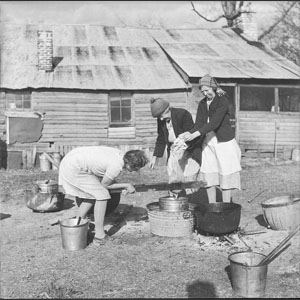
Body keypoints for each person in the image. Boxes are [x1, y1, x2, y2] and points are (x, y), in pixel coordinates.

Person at [58, 146, 148, 245]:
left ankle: (78, 224)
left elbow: (107, 179)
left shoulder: (119, 155)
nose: (135, 171)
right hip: (74, 167)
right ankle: (100, 236)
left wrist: (121, 188)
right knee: (102, 195)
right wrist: (127, 185)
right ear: (131, 164)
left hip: (71, 161)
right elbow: (105, 185)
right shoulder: (116, 165)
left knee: (93, 194)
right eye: (136, 168)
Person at [179, 74, 241, 203]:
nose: (205, 93)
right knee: (209, 173)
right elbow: (199, 124)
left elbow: (214, 123)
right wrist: (186, 134)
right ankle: (212, 205)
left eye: (207, 90)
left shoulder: (222, 101)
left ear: (213, 87)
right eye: (203, 91)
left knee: (225, 173)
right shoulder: (202, 103)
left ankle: (225, 206)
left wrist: (195, 134)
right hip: (208, 142)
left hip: (223, 142)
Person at [148, 97, 202, 181]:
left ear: (166, 110)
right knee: (173, 176)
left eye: (161, 115)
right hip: (173, 151)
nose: (161, 119)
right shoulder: (161, 120)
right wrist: (155, 157)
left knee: (187, 176)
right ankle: (175, 194)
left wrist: (182, 146)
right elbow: (161, 138)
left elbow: (191, 134)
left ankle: (187, 193)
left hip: (188, 150)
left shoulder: (182, 114)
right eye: (158, 117)